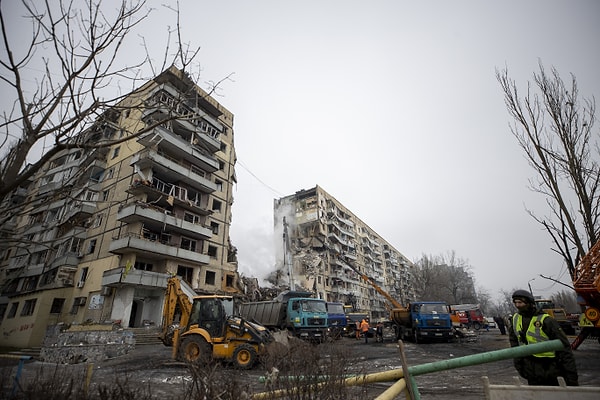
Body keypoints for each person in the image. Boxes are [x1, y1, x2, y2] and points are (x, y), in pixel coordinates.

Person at [508, 289, 578, 386]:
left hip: (550, 367)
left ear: (529, 302)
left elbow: (564, 348)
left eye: (520, 302)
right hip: (530, 368)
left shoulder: (546, 320)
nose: (517, 305)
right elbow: (514, 343)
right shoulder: (515, 319)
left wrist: (571, 377)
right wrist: (519, 365)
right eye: (515, 303)